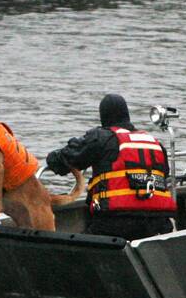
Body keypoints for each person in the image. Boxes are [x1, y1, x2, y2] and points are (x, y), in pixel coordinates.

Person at [45, 94, 176, 240]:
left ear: (103, 116)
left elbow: (64, 160)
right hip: (157, 222)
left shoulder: (102, 137)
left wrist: (51, 158)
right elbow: (164, 175)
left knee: (76, 245)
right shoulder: (154, 143)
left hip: (115, 222)